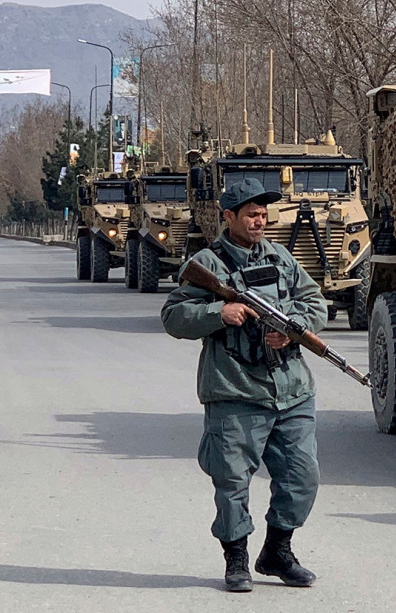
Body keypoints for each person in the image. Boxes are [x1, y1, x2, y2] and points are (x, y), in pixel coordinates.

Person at [161, 178, 327, 592]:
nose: (260, 221)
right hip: (234, 390)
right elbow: (173, 317)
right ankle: (236, 559)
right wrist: (219, 312)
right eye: (252, 214)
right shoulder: (207, 264)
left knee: (302, 476)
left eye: (263, 214)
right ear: (229, 216)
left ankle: (277, 552)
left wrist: (293, 328)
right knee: (232, 482)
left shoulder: (281, 257)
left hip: (291, 390)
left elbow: (315, 302)